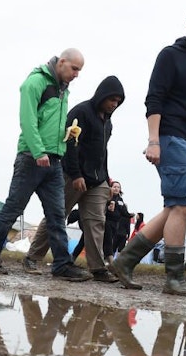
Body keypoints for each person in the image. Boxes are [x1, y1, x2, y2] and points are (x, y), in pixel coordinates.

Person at [108, 8, 186, 297]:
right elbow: (154, 98)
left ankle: (125, 261)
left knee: (175, 206)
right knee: (182, 205)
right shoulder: (170, 55)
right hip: (171, 136)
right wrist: (154, 140)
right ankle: (173, 278)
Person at [0, 48, 90, 281]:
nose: (77, 75)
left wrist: (65, 137)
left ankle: (61, 265)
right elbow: (27, 120)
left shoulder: (63, 90)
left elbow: (47, 122)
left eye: (80, 71)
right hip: (32, 157)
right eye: (75, 69)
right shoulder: (35, 83)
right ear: (62, 62)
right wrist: (38, 151)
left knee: (57, 215)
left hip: (54, 159)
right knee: (13, 209)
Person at [24, 76, 126, 281]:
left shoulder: (108, 122)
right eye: (111, 99)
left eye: (118, 101)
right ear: (102, 95)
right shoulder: (81, 112)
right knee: (57, 216)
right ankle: (32, 257)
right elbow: (69, 145)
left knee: (96, 222)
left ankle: (97, 269)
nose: (114, 104)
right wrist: (76, 174)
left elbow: (102, 152)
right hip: (72, 176)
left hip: (98, 181)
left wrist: (106, 179)